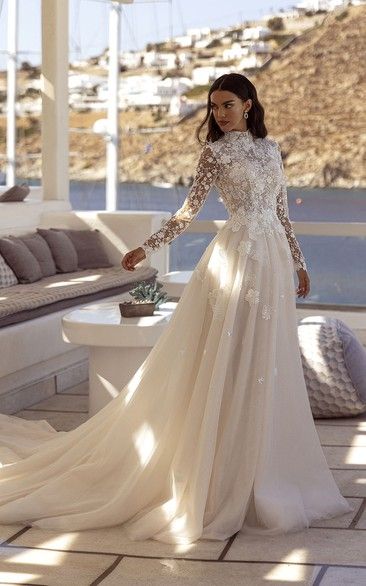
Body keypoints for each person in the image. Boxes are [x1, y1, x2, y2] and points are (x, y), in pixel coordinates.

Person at [0, 73, 353, 544]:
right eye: (214, 107)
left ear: (248, 104)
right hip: (235, 258)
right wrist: (147, 246)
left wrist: (300, 263)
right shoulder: (214, 153)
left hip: (270, 261)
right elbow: (188, 211)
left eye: (227, 104)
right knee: (225, 359)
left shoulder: (270, 151)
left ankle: (260, 465)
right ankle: (216, 466)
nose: (220, 114)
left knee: (265, 359)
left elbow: (283, 212)